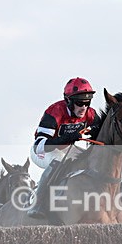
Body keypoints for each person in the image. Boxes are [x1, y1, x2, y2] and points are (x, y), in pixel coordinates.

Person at [27, 77, 102, 219]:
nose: (84, 107)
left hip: (66, 149)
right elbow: (39, 146)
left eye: (87, 102)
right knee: (59, 161)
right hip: (43, 151)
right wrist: (64, 139)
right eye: (80, 103)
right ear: (68, 101)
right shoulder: (54, 112)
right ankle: (39, 203)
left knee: (88, 159)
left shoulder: (90, 114)